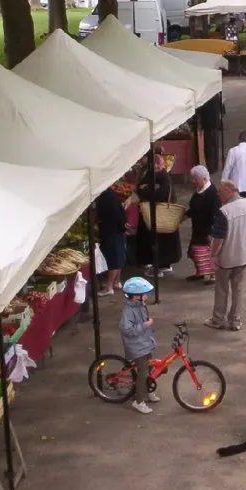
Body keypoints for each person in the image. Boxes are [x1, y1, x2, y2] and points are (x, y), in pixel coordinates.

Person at [203, 181, 246, 332]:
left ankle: (218, 320)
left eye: (220, 192)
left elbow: (219, 237)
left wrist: (213, 255)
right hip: (245, 255)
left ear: (228, 191)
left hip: (227, 257)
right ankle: (235, 321)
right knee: (238, 289)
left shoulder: (224, 211)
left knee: (221, 289)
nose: (218, 195)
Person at [135, 152, 181, 278]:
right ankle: (161, 264)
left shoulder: (162, 177)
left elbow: (157, 193)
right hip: (158, 214)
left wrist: (145, 191)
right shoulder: (155, 174)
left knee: (159, 241)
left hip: (159, 215)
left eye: (158, 163)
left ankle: (159, 266)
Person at [119, 277, 158, 415]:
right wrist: (144, 325)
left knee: (151, 368)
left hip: (145, 343)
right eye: (143, 294)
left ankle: (148, 391)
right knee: (142, 373)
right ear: (135, 296)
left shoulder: (140, 305)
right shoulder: (128, 311)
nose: (145, 297)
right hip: (137, 346)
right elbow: (127, 330)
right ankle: (139, 401)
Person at [184, 165, 222, 284]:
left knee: (207, 253)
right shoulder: (199, 191)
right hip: (197, 226)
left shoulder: (212, 193)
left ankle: (213, 275)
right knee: (194, 252)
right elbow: (194, 207)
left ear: (203, 178)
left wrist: (212, 231)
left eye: (195, 179)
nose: (193, 181)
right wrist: (184, 216)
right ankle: (199, 272)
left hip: (207, 228)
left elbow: (215, 214)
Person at [95, 187, 127, 296]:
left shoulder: (107, 196)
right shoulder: (110, 194)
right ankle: (116, 282)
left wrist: (122, 227)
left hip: (111, 231)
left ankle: (109, 287)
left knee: (113, 259)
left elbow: (117, 214)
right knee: (119, 256)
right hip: (115, 230)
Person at [197, 95, 223, 173]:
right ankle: (215, 166)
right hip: (215, 126)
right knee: (215, 147)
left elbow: (200, 112)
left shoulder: (205, 99)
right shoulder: (217, 97)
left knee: (209, 148)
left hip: (207, 126)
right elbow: (222, 110)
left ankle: (211, 168)